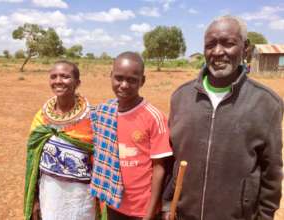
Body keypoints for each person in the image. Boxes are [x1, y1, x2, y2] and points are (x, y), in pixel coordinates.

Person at [163, 15, 283, 220]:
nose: (218, 52)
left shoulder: (266, 103)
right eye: (210, 45)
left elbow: (271, 173)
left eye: (228, 43)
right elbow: (170, 159)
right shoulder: (181, 97)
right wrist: (166, 206)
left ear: (245, 48)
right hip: (183, 214)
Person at [90, 51, 173, 220]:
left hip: (141, 209)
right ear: (111, 76)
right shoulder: (105, 112)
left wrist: (149, 213)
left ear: (142, 81)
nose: (124, 85)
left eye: (132, 80)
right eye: (119, 78)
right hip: (114, 202)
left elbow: (159, 167)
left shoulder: (153, 117)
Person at [24, 60, 96, 220]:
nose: (58, 81)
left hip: (81, 199)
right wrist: (35, 199)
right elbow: (33, 162)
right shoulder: (41, 118)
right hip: (49, 195)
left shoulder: (92, 118)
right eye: (54, 76)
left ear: (77, 83)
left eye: (65, 76)